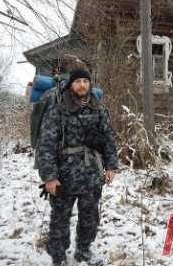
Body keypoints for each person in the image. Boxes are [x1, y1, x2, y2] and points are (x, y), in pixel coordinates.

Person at [37, 67, 118, 266]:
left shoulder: (98, 107)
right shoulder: (58, 107)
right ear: (70, 84)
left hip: (92, 173)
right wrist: (49, 176)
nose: (82, 85)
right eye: (77, 81)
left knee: (90, 216)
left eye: (85, 81)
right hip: (64, 174)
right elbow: (46, 144)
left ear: (90, 84)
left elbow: (108, 138)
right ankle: (58, 256)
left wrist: (110, 166)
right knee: (60, 218)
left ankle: (83, 250)